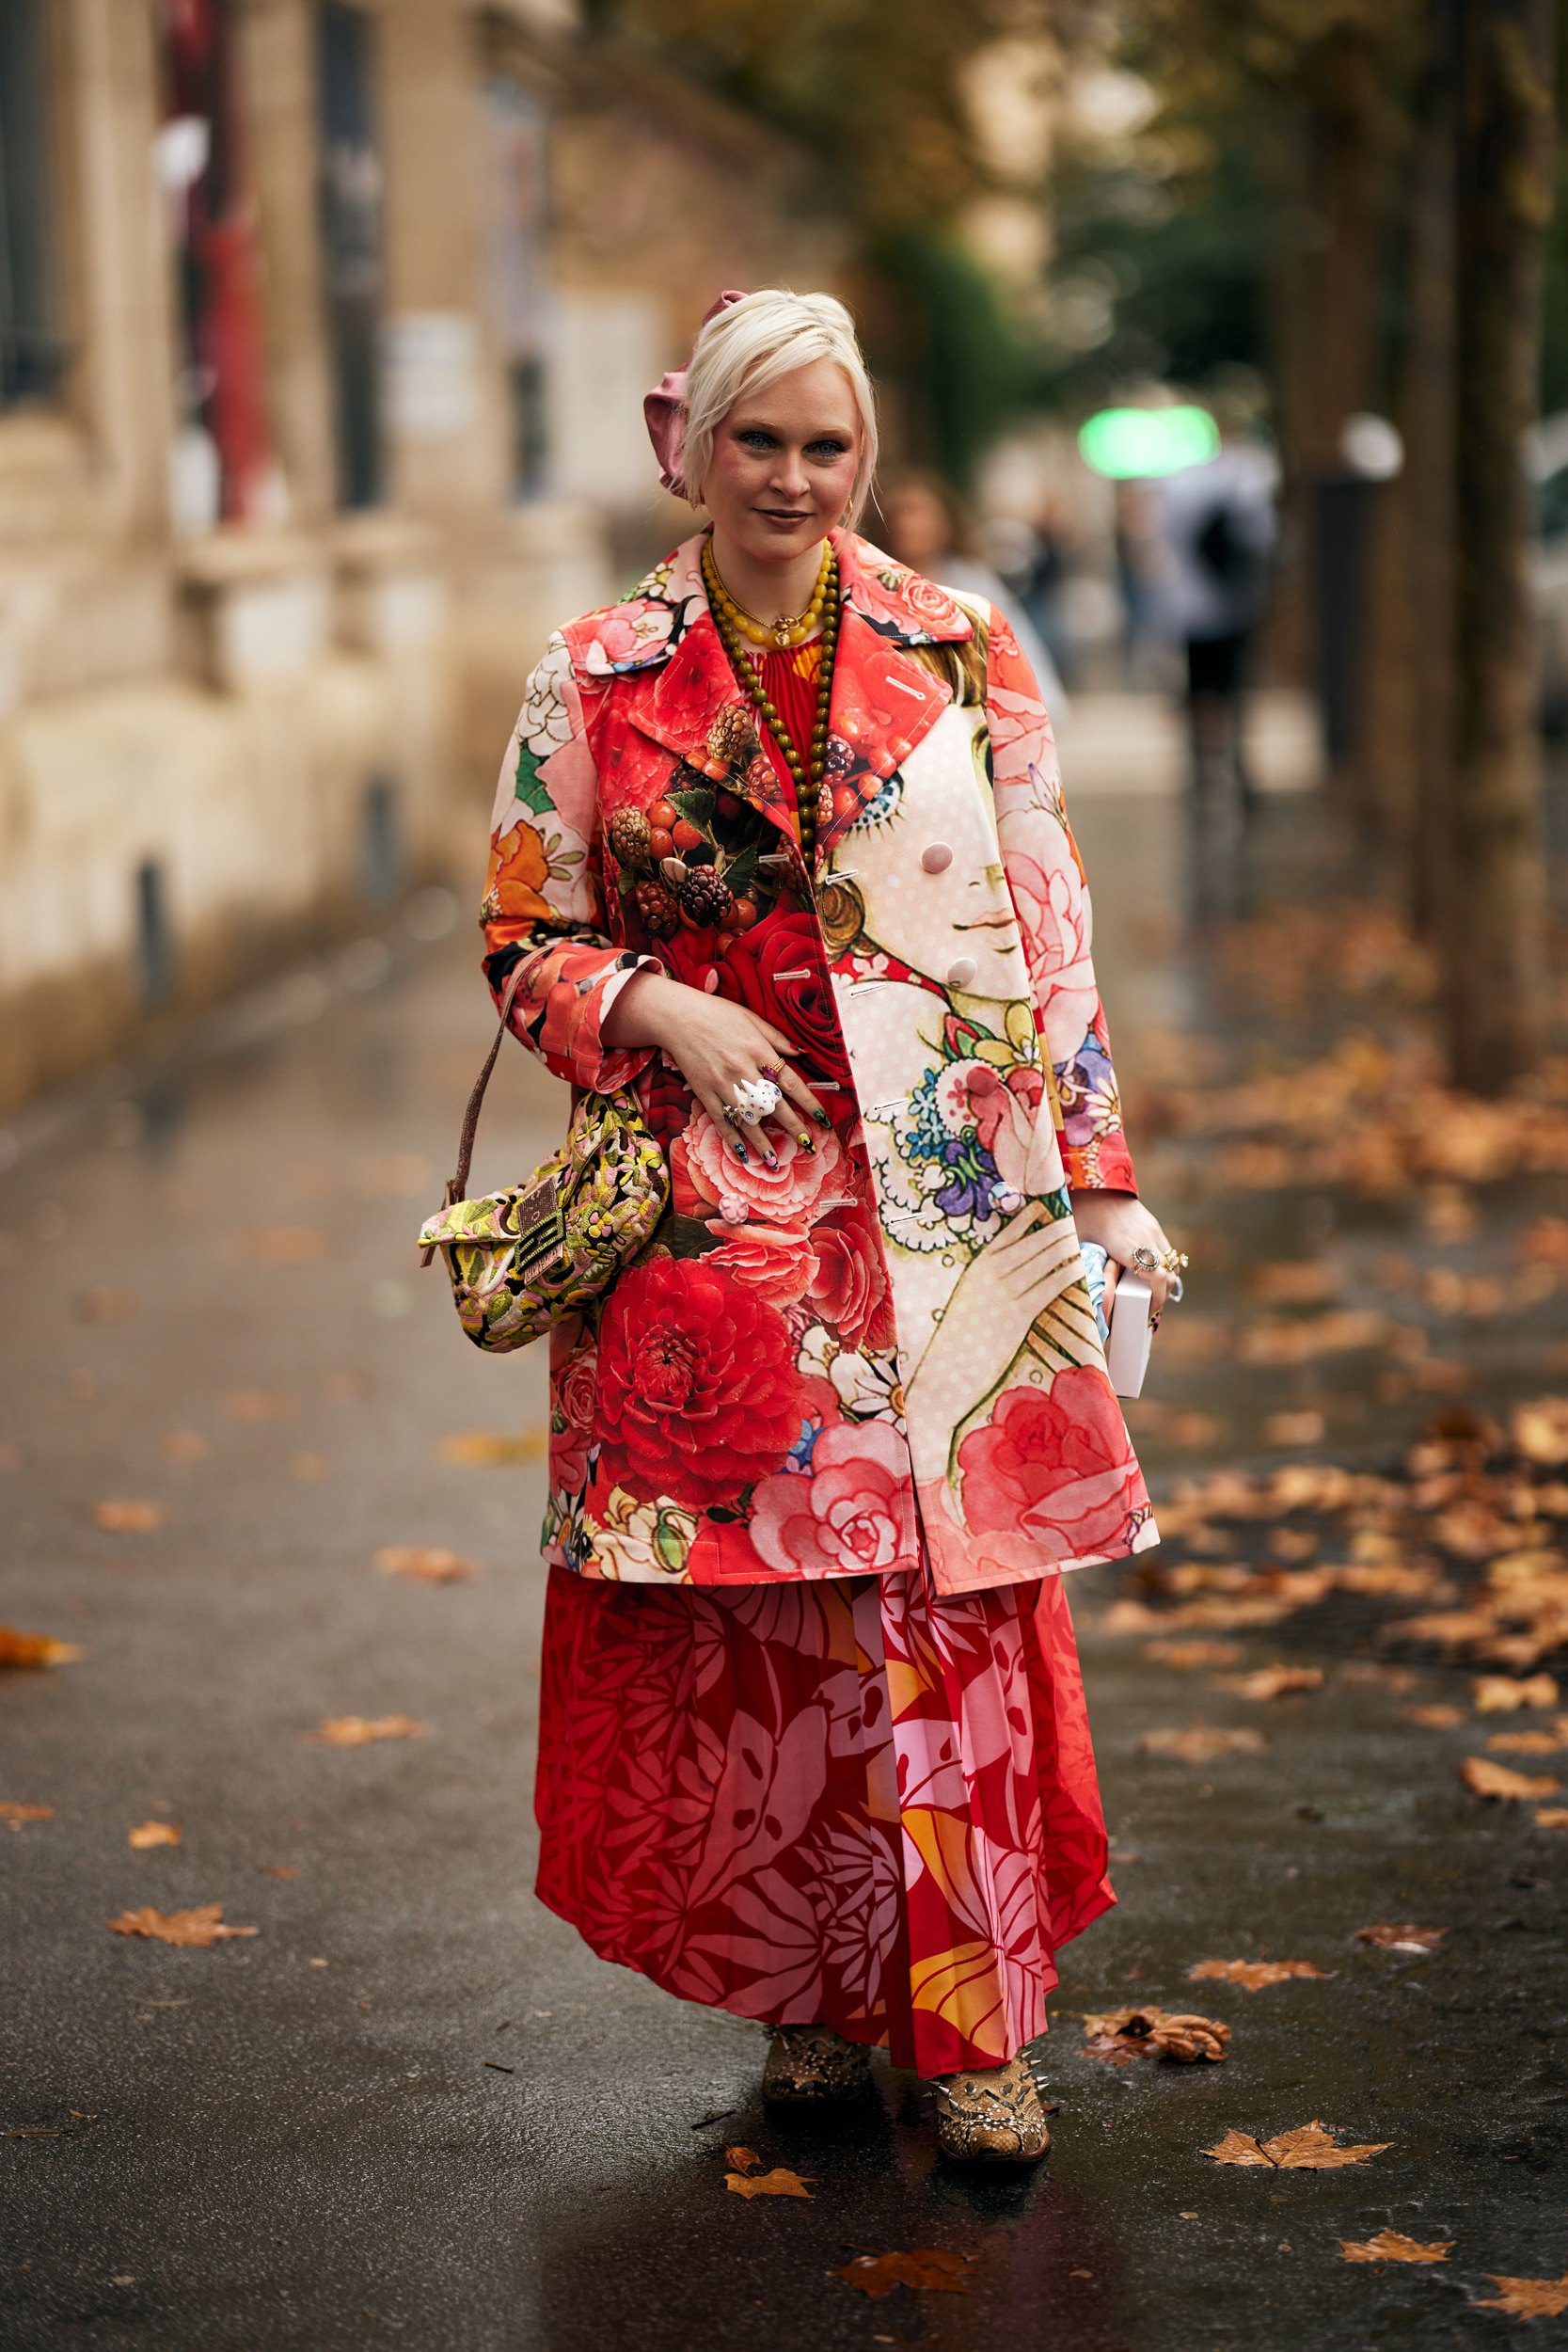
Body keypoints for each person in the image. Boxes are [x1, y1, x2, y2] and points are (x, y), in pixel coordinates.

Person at [478, 287, 1181, 2166]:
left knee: (945, 1621)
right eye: (755, 440)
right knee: (775, 1627)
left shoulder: (956, 645)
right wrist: (654, 1005)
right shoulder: (590, 674)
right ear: (679, 446)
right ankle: (805, 1992)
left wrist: (1097, 1174)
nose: (790, 477)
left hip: (947, 1205)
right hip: (710, 1221)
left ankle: (969, 2034)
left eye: (825, 443)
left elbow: (1048, 928)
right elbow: (518, 937)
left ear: (863, 457)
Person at [1152, 408, 1277, 806]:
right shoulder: (1240, 479)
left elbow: (1162, 541)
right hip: (1232, 605)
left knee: (1197, 691)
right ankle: (1238, 770)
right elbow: (1263, 535)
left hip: (1188, 608)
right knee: (1234, 691)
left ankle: (1199, 772)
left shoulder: (1174, 484)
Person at [879, 469, 1070, 723]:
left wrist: (1043, 701)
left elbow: (1012, 642)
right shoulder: (874, 585)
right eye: (902, 515)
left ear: (943, 523)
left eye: (920, 514)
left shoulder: (972, 581)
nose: (911, 526)